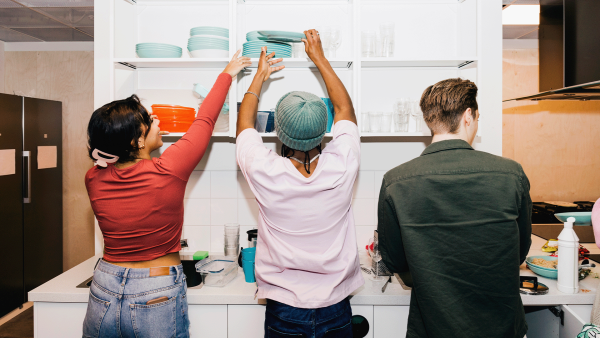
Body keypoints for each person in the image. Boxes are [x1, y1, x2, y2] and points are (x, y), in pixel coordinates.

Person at [82, 51, 250, 338]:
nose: (156, 118)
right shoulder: (169, 169)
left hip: (104, 284)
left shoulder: (93, 178)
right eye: (149, 119)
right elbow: (205, 120)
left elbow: (107, 163)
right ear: (136, 140)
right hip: (155, 288)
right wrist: (227, 74)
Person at [377, 78, 532, 338]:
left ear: (429, 120)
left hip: (433, 325)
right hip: (501, 327)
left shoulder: (396, 181)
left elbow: (393, 261)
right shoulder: (511, 174)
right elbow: (518, 253)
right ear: (468, 116)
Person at [236, 30, 364, 337]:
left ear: (279, 133)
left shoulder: (264, 170)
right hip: (336, 306)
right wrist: (318, 56)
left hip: (283, 309)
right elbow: (345, 109)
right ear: (325, 131)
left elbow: (244, 124)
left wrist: (259, 77)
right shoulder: (343, 163)